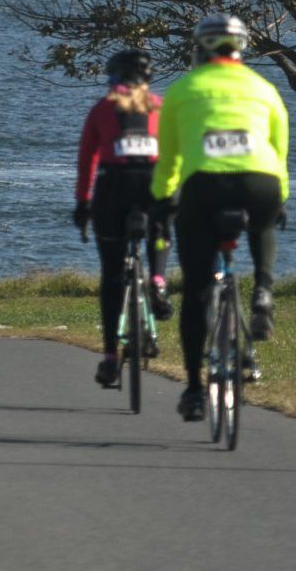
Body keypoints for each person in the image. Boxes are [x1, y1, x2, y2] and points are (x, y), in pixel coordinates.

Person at [151, 14, 289, 422]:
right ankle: (263, 289)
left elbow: (169, 160)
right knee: (262, 225)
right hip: (260, 181)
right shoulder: (265, 89)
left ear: (199, 48)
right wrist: (278, 197)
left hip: (206, 187)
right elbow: (279, 151)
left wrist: (162, 201)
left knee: (196, 293)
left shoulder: (182, 90)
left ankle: (194, 390)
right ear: (242, 48)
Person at [76, 48, 173, 389]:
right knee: (160, 230)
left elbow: (87, 158)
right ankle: (159, 281)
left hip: (113, 188)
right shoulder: (161, 106)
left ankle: (109, 357)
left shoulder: (103, 108)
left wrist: (82, 203)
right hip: (152, 182)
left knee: (112, 275)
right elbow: (177, 150)